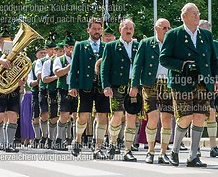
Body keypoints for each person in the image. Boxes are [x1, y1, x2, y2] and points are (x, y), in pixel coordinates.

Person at [159, 3, 218, 167]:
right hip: (182, 82)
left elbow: (215, 60)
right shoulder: (173, 34)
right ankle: (175, 151)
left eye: (198, 13)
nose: (196, 16)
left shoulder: (206, 35)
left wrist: (217, 79)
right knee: (185, 117)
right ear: (183, 17)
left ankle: (193, 156)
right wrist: (182, 65)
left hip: (203, 82)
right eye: (193, 13)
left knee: (200, 116)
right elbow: (164, 59)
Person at [131, 18, 174, 164]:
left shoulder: (173, 43)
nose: (167, 30)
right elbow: (137, 65)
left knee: (167, 118)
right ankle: (150, 150)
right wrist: (134, 85)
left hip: (168, 84)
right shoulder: (146, 43)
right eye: (164, 28)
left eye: (169, 28)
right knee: (153, 118)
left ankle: (163, 152)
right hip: (150, 84)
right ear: (156, 28)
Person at [101, 18, 141, 161]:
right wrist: (106, 86)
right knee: (117, 116)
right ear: (120, 30)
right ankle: (112, 143)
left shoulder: (138, 45)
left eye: (131, 28)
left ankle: (127, 149)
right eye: (126, 28)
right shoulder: (111, 46)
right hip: (117, 86)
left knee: (131, 117)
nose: (129, 30)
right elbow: (104, 68)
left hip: (134, 86)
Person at [69, 17, 108, 159]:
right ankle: (77, 140)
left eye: (99, 29)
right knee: (83, 115)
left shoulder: (106, 46)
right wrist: (72, 86)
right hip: (85, 86)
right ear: (88, 30)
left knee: (102, 116)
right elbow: (74, 68)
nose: (97, 31)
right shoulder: (81, 45)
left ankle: (98, 147)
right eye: (94, 29)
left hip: (102, 87)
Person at [199, 19, 218, 158]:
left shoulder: (216, 45)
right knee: (197, 114)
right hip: (195, 82)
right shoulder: (193, 44)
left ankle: (213, 146)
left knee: (212, 112)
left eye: (205, 31)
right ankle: (195, 146)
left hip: (211, 83)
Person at [53, 34, 77, 150]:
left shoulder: (78, 58)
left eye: (72, 46)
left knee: (77, 115)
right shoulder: (59, 59)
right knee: (64, 115)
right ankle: (59, 139)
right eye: (68, 47)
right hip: (64, 88)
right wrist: (70, 66)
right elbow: (58, 73)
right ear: (65, 48)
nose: (70, 49)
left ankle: (75, 140)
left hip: (76, 88)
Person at [27, 46, 47, 148]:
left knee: (45, 114)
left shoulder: (49, 62)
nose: (43, 55)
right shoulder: (32, 65)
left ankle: (44, 137)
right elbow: (29, 82)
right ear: (36, 54)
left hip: (46, 91)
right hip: (35, 91)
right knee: (35, 115)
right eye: (41, 53)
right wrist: (38, 81)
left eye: (44, 53)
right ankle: (37, 137)